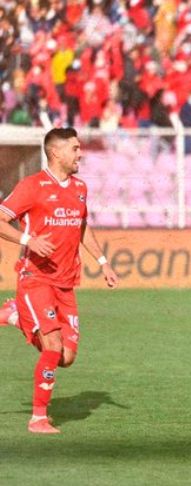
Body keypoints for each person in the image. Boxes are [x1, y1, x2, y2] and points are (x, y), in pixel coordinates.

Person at [0, 127, 119, 434]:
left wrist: (103, 262)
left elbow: (81, 227)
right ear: (56, 152)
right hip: (35, 278)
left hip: (66, 283)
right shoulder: (33, 185)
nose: (80, 154)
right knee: (52, 345)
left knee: (66, 357)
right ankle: (38, 417)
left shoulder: (80, 187)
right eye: (75, 149)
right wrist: (28, 239)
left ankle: (15, 316)